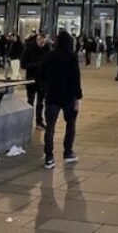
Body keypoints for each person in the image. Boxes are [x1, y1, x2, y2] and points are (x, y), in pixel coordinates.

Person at [40, 31, 83, 169]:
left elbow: (41, 75)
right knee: (70, 124)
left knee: (50, 126)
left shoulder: (49, 55)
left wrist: (46, 88)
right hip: (68, 96)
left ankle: (49, 157)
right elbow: (76, 78)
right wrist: (78, 97)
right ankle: (68, 152)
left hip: (52, 96)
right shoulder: (71, 56)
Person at [21, 34, 50, 129]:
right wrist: (36, 65)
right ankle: (27, 122)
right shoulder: (29, 49)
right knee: (30, 101)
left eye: (44, 42)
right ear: (37, 40)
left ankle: (39, 121)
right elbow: (23, 64)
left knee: (40, 103)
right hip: (31, 80)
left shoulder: (47, 50)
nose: (42, 44)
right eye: (41, 42)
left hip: (43, 80)